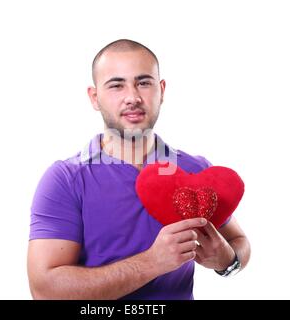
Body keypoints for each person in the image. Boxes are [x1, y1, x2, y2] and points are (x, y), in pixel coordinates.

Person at [27, 39, 251, 300]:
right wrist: (152, 263)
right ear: (94, 97)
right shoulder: (65, 180)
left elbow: (239, 242)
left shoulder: (195, 170)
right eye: (116, 85)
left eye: (144, 83)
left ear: (162, 90)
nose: (132, 97)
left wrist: (226, 260)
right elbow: (45, 290)